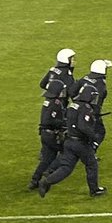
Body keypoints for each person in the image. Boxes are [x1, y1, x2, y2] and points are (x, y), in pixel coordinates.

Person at [39, 63, 109, 197]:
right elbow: (83, 126)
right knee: (92, 165)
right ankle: (94, 190)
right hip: (80, 143)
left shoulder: (73, 106)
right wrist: (93, 136)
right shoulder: (86, 109)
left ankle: (47, 181)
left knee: (66, 167)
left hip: (69, 142)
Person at [29, 49, 77, 190]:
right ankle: (51, 172)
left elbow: (42, 84)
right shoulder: (66, 75)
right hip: (58, 112)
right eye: (72, 59)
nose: (74, 61)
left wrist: (51, 91)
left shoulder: (53, 70)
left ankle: (35, 180)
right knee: (67, 150)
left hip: (47, 122)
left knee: (47, 155)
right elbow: (72, 92)